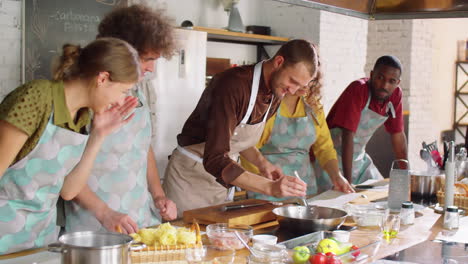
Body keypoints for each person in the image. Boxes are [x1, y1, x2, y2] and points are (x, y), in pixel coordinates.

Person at [0, 37, 140, 254]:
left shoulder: (83, 116)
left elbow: (68, 190)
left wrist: (98, 134)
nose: (122, 101)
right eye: (123, 91)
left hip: (39, 242)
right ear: (103, 78)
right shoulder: (37, 97)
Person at [163, 39, 321, 217]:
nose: (293, 91)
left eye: (300, 86)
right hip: (189, 181)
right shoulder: (232, 85)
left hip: (219, 184)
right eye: (292, 81)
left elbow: (237, 139)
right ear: (279, 62)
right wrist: (269, 187)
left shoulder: (276, 91)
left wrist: (263, 165)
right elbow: (215, 158)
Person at [64, 4, 177, 235]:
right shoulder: (86, 94)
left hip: (139, 218)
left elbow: (143, 147)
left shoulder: (141, 90)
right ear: (123, 52)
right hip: (93, 223)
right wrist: (103, 211)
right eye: (147, 58)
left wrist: (158, 195)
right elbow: (64, 172)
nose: (151, 68)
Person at [240, 47, 354, 200]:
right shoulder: (266, 103)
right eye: (297, 81)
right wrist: (262, 184)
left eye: (310, 81)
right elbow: (246, 146)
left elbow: (325, 148)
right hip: (267, 189)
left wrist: (337, 176)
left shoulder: (314, 107)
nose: (305, 86)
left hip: (305, 188)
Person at [323, 55, 408, 186]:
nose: (385, 85)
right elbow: (348, 136)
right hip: (331, 158)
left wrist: (406, 176)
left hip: (358, 158)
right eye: (380, 78)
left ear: (397, 83)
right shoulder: (358, 89)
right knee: (333, 199)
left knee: (381, 191)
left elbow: (397, 135)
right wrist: (348, 182)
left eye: (391, 81)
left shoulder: (395, 95)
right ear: (372, 74)